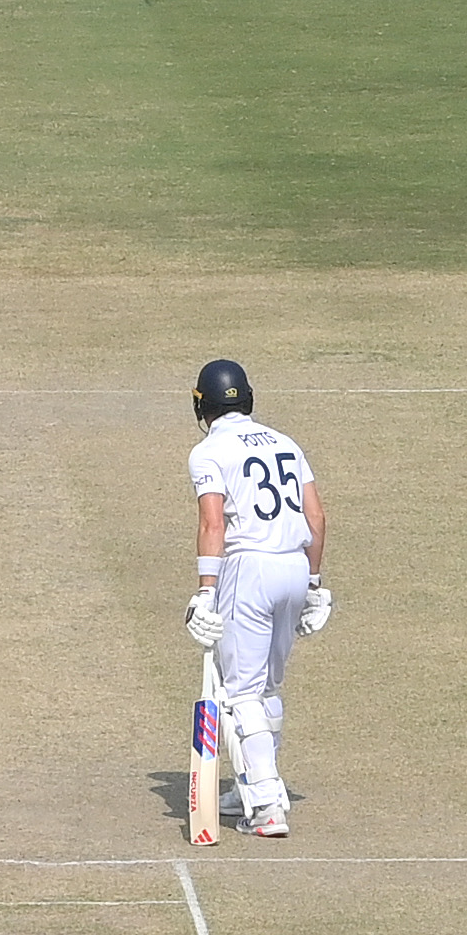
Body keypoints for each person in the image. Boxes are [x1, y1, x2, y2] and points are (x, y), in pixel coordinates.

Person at [182, 359, 331, 838]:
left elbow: (213, 524)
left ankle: (266, 806)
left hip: (250, 569)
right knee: (265, 686)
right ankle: (256, 783)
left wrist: (206, 593)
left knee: (241, 690)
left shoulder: (208, 452)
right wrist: (313, 585)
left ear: (202, 403)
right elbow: (317, 518)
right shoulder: (285, 442)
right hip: (293, 565)